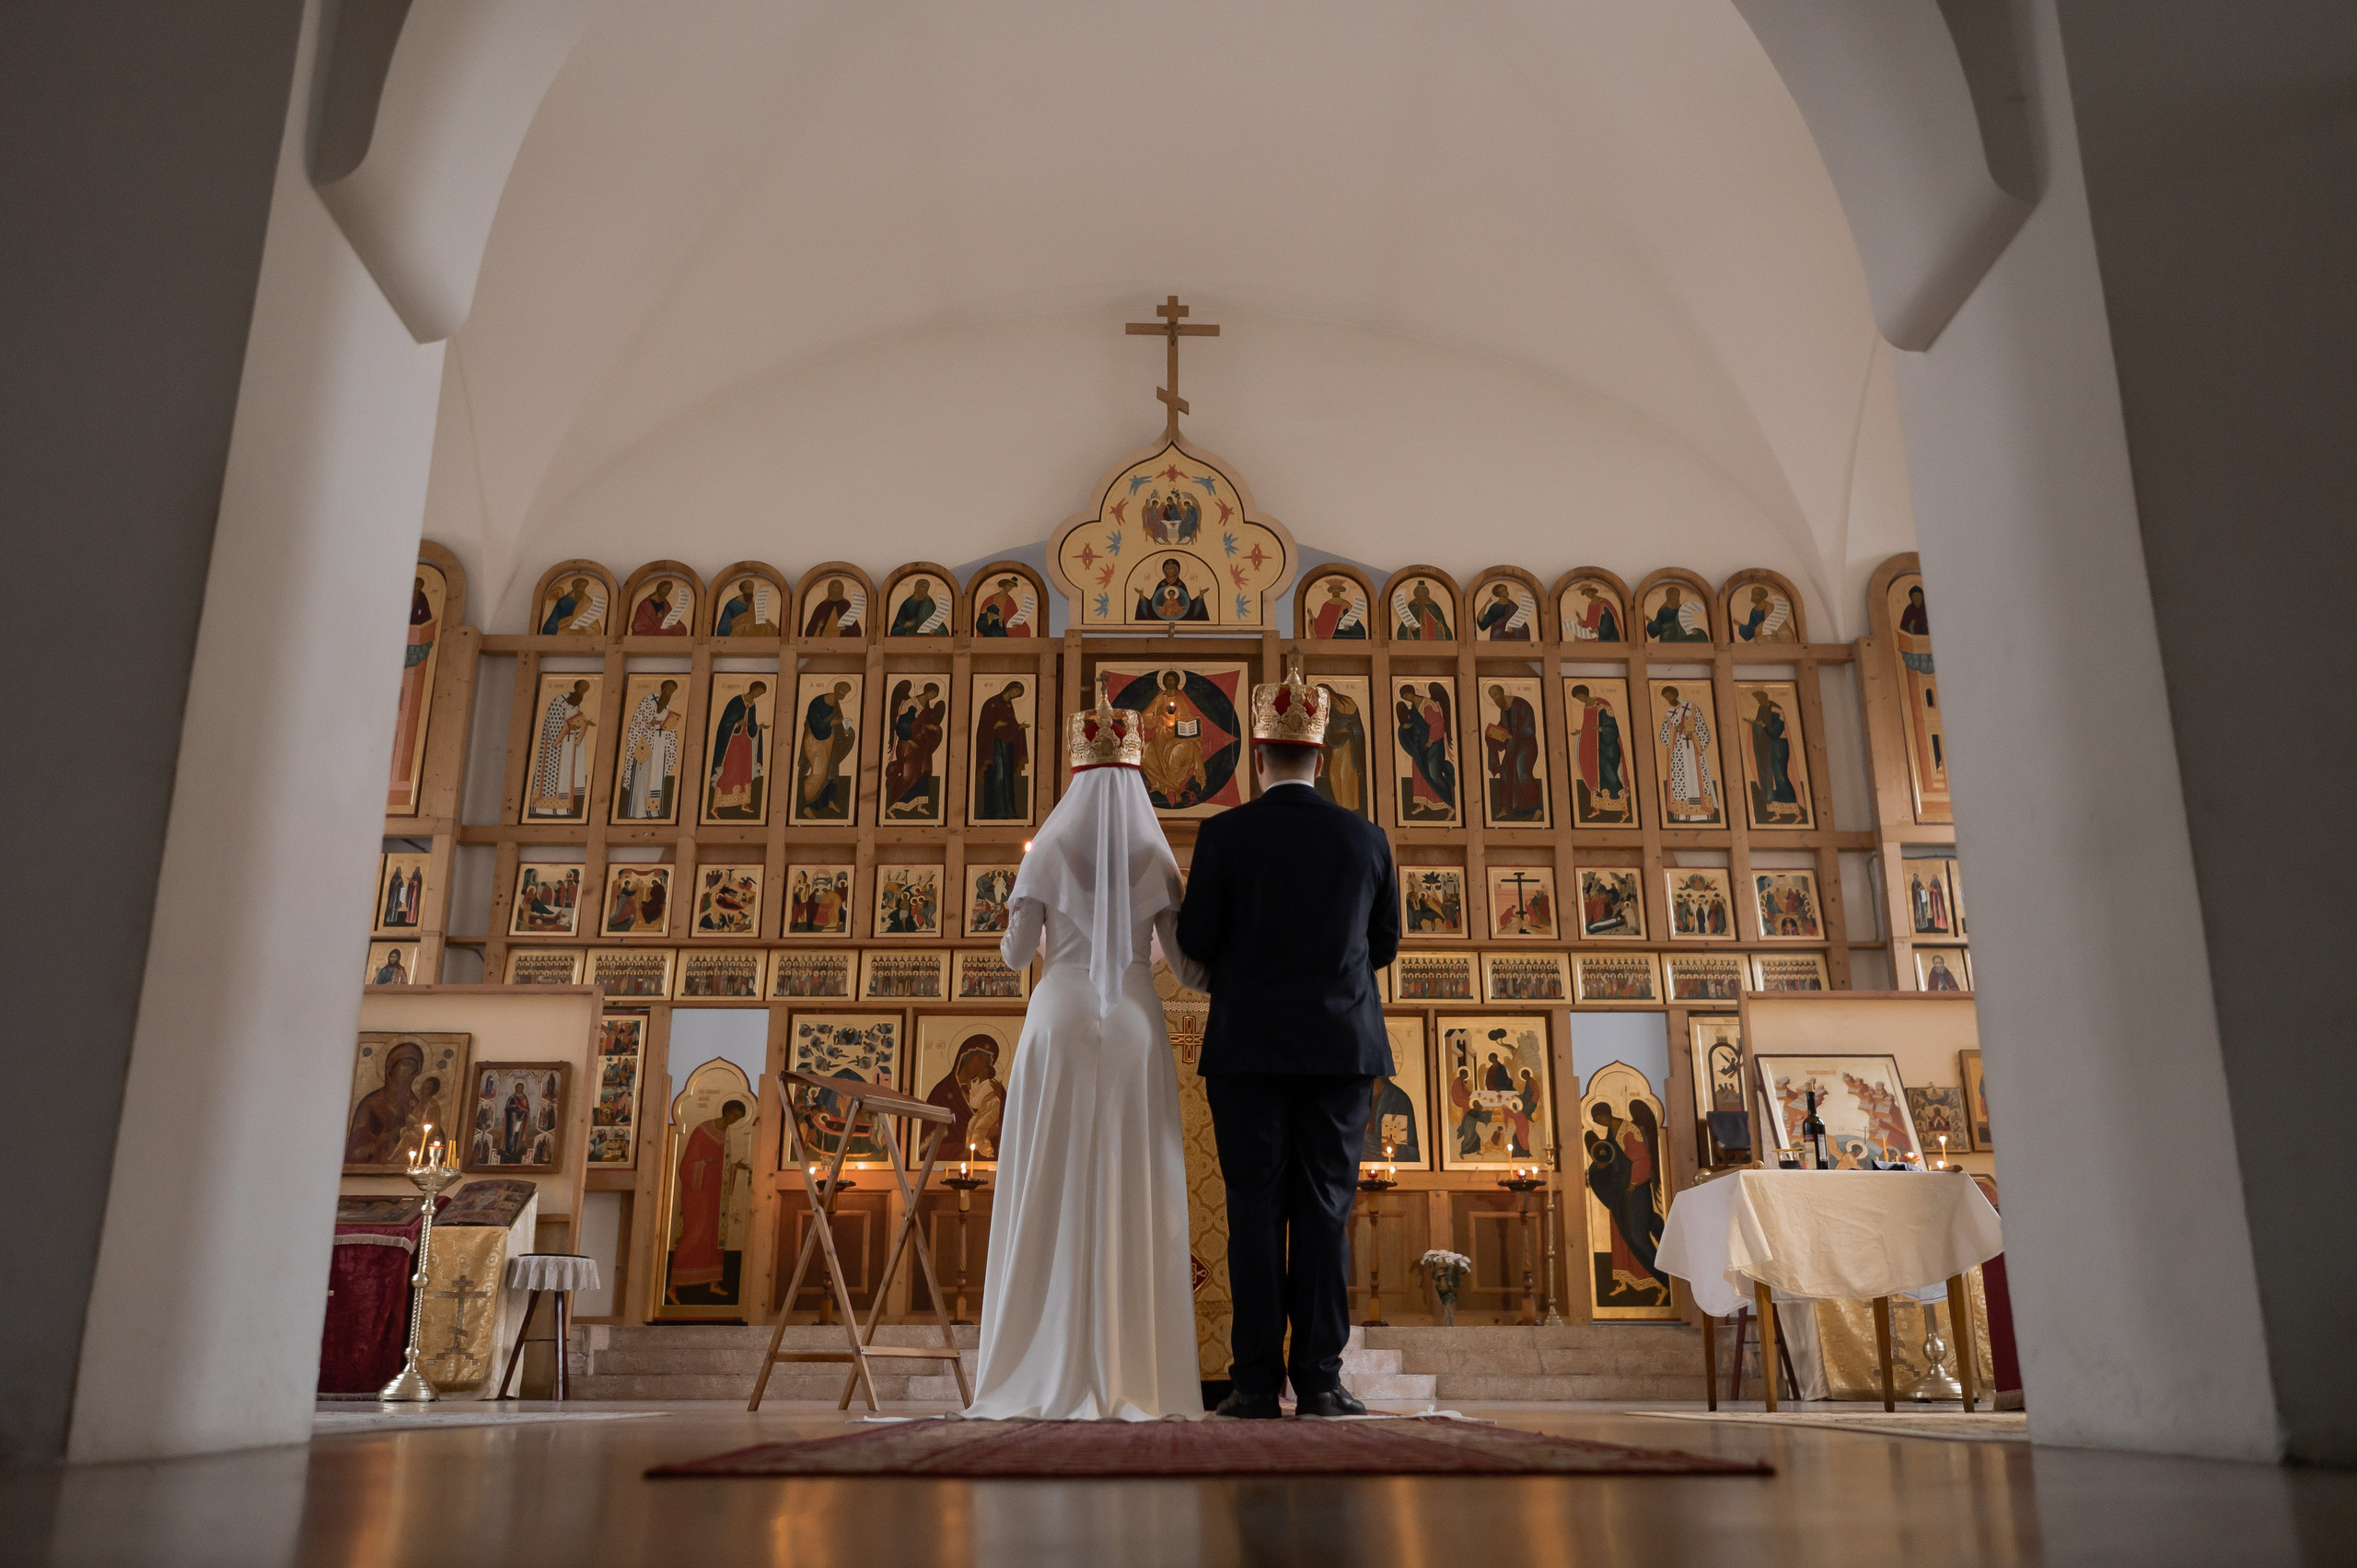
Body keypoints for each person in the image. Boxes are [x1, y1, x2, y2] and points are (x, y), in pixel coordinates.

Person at [964, 702, 1204, 1421]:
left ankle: (1039, 1361)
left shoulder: (1049, 852)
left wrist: (1022, 902)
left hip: (1058, 1018)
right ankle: (1134, 1368)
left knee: (1050, 1178)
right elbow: (1187, 967)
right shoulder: (1155, 857)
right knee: (1132, 1179)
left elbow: (1013, 957)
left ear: (1075, 775)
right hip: (1132, 1018)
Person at [1176, 656, 1400, 1419]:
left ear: (1258, 756)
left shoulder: (1225, 834)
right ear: (1321, 752)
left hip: (1248, 1052)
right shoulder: (1366, 838)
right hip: (1340, 1051)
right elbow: (1385, 945)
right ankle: (1322, 1381)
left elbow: (1197, 939)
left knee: (1254, 1212)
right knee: (1325, 1210)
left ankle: (1250, 1385)